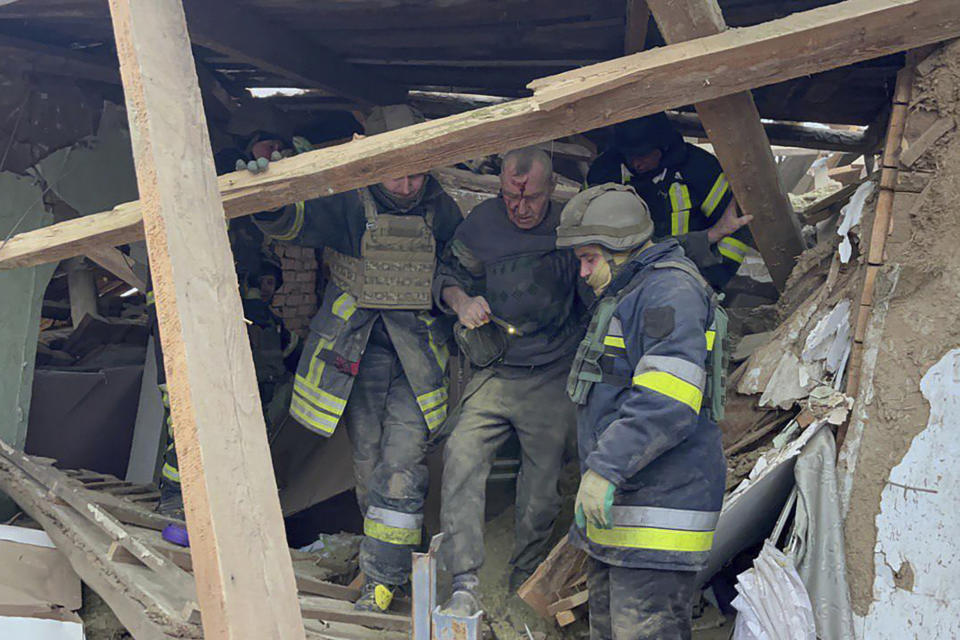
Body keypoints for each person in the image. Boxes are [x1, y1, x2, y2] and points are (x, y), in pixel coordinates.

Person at [252, 104, 463, 612]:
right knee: (369, 465)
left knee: (403, 465)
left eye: (418, 172)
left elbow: (459, 264)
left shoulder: (441, 207)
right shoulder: (346, 198)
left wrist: (456, 293)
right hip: (356, 353)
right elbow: (291, 222)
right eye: (399, 172)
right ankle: (386, 567)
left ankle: (384, 581)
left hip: (418, 359)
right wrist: (267, 190)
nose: (409, 185)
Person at [557, 183, 726, 639]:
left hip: (659, 513)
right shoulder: (634, 290)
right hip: (629, 516)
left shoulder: (669, 292)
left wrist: (604, 471)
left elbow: (667, 401)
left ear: (622, 248)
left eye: (589, 258)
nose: (583, 272)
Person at [434, 148, 586, 613]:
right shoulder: (482, 223)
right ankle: (463, 582)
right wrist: (461, 301)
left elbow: (605, 289)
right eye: (509, 196)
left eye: (532, 198)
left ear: (553, 186)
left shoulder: (572, 226)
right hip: (497, 371)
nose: (519, 208)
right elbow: (447, 274)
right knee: (460, 455)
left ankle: (525, 578)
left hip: (553, 372)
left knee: (542, 488)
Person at [587, 112, 754, 291]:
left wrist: (713, 280)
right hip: (619, 278)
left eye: (643, 155)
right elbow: (583, 232)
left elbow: (736, 228)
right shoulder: (604, 173)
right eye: (629, 155)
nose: (636, 163)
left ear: (663, 147)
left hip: (691, 275)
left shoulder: (701, 170)